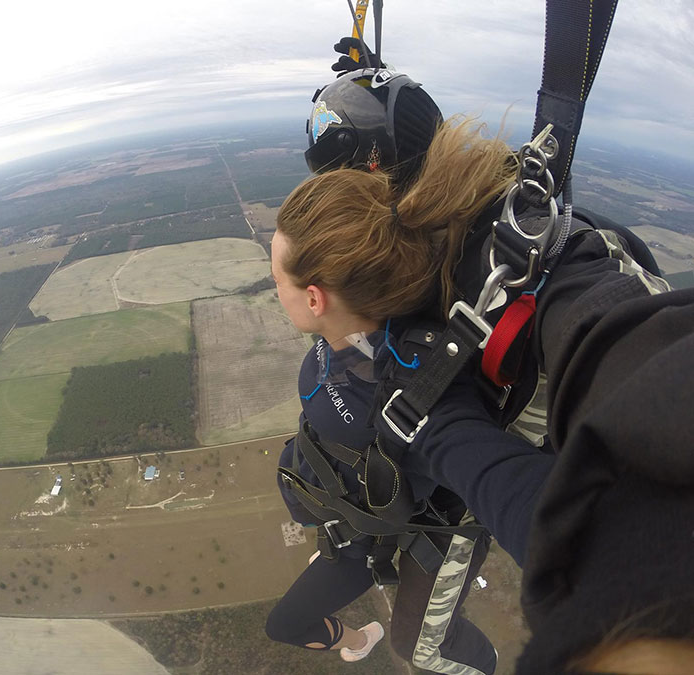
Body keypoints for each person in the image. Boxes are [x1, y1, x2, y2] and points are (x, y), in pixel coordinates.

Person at [278, 58, 694, 673]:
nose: (348, 223)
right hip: (436, 466)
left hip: (483, 480)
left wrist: (445, 432)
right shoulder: (402, 260)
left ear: (389, 183)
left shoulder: (540, 269)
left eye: (350, 194)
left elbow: (641, 379)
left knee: (417, 645)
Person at [263, 85, 553, 672]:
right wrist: (362, 99)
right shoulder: (360, 310)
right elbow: (376, 219)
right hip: (357, 515)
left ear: (315, 298)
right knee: (296, 619)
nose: (276, 293)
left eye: (278, 284)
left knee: (417, 647)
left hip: (416, 510)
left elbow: (511, 489)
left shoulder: (418, 397)